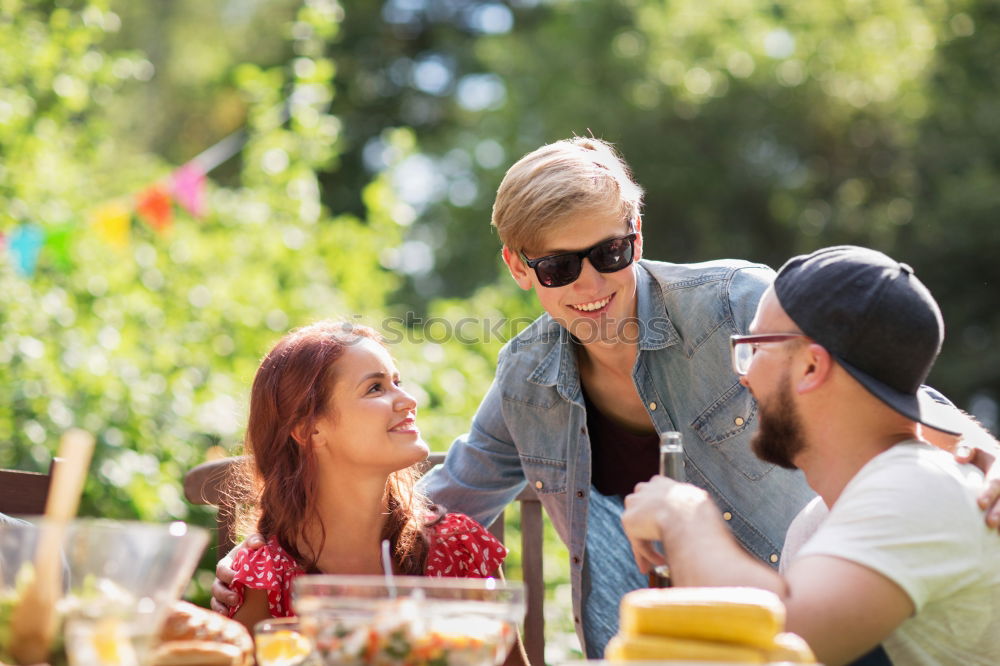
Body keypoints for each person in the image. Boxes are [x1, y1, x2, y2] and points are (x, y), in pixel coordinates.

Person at [212, 138, 1000, 655]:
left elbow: (891, 397)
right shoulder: (529, 380)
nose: (588, 287)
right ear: (519, 269)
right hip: (660, 642)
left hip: (808, 611)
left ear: (637, 232)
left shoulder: (738, 305)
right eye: (557, 268)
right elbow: (436, 503)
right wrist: (278, 561)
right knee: (609, 511)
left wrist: (987, 459)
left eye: (608, 253)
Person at [621, 246, 1000, 666]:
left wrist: (683, 514)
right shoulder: (818, 523)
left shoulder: (918, 486)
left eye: (755, 347)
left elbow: (781, 640)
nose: (743, 375)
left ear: (810, 367)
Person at [220, 320, 507, 629]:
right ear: (309, 429)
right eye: (375, 388)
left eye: (397, 382)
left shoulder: (458, 547)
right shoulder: (267, 576)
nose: (409, 401)